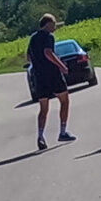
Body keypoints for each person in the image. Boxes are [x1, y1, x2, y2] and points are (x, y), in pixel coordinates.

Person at [25, 13, 74, 147]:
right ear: (47, 24)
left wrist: (37, 63)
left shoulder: (33, 38)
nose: (55, 27)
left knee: (43, 107)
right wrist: (61, 65)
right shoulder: (48, 37)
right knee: (64, 100)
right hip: (52, 74)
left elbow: (28, 57)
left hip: (39, 76)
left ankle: (40, 136)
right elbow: (48, 52)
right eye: (53, 24)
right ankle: (63, 132)